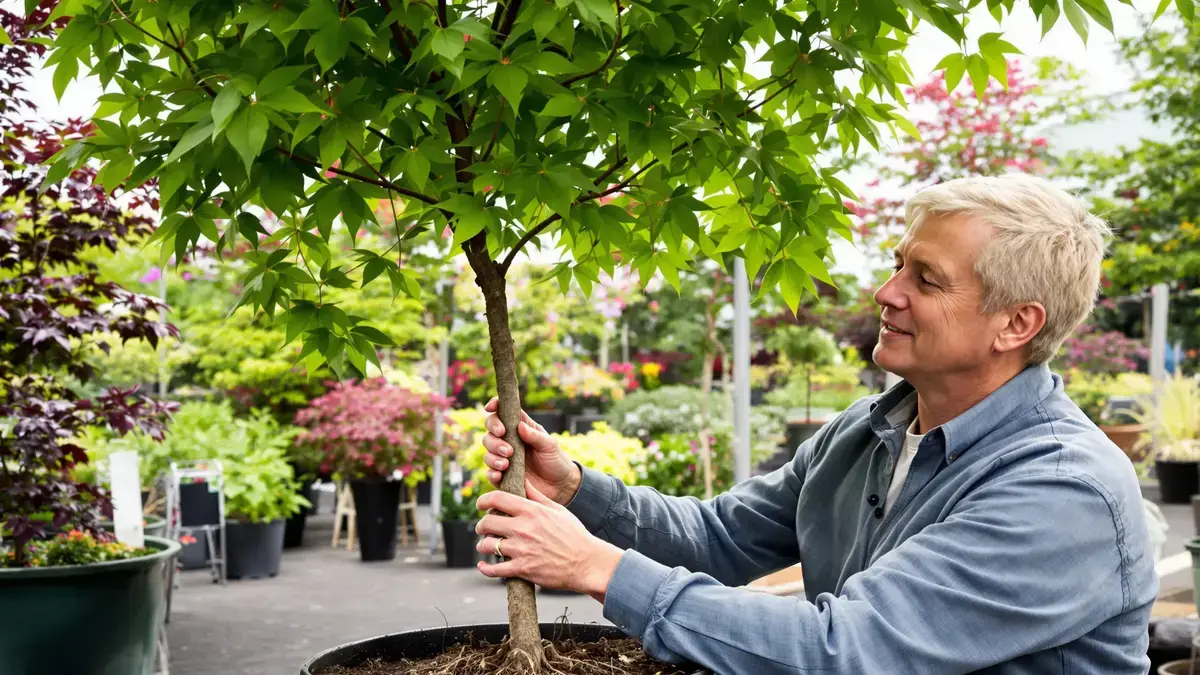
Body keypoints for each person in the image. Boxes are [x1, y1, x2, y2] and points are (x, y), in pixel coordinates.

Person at [473, 173, 1157, 674]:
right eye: (897, 265)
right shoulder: (868, 430)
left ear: (1017, 322)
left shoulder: (1065, 493)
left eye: (927, 278)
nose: (887, 292)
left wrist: (596, 565)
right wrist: (575, 492)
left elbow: (847, 649)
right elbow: (718, 536)